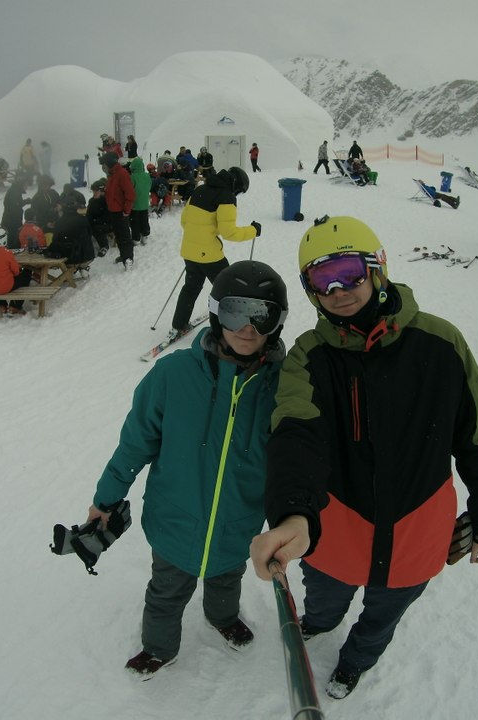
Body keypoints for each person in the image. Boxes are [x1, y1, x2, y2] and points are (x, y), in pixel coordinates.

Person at [249, 215, 478, 700]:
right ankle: (320, 624)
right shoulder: (310, 356)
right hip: (334, 532)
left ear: (377, 268)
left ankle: (356, 660)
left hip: (416, 532)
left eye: (349, 271)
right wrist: (294, 513)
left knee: (384, 613)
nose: (339, 289)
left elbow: (476, 436)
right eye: (321, 280)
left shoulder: (440, 342)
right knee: (324, 596)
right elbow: (295, 432)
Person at [86, 260, 290, 679]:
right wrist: (106, 498)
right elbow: (135, 443)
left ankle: (222, 617)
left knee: (225, 578)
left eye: (261, 315)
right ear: (216, 313)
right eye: (235, 312)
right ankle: (159, 647)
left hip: (238, 524)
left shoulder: (285, 387)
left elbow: (295, 461)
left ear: (277, 322)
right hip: (174, 521)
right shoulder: (173, 374)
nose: (247, 328)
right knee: (166, 591)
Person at [168, 166, 259, 337]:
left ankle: (179, 324)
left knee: (191, 288)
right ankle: (231, 325)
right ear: (236, 185)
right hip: (210, 255)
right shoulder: (227, 198)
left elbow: (184, 221)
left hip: (189, 251)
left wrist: (201, 236)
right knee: (228, 289)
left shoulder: (199, 190)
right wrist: (253, 230)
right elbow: (229, 232)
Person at [99, 152, 135, 269]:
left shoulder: (122, 173)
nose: (102, 167)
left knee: (124, 235)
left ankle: (128, 258)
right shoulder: (111, 174)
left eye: (104, 164)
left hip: (121, 211)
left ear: (109, 163)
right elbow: (115, 191)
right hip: (113, 210)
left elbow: (130, 194)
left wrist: (126, 211)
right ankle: (124, 255)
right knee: (118, 236)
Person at [0, 240, 33, 316]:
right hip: (5, 286)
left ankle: (1, 306)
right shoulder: (6, 253)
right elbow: (16, 272)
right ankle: (15, 306)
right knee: (26, 275)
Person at [1, 178, 30, 250]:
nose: (27, 187)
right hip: (10, 223)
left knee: (14, 242)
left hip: (11, 222)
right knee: (12, 243)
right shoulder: (14, 192)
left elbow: (16, 204)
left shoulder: (15, 191)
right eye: (26, 185)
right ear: (22, 185)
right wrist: (25, 202)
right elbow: (14, 207)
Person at [128, 157, 151, 246]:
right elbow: (149, 185)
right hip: (145, 203)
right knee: (144, 220)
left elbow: (130, 190)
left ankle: (136, 238)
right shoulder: (147, 175)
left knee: (135, 222)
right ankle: (145, 236)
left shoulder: (132, 177)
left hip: (135, 204)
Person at [86, 179, 112, 256]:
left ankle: (104, 246)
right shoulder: (91, 201)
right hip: (96, 222)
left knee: (96, 228)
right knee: (84, 226)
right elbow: (89, 214)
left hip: (108, 224)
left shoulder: (107, 200)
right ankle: (85, 247)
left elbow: (107, 217)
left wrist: (93, 222)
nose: (94, 193)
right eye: (93, 191)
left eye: (96, 191)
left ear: (101, 191)